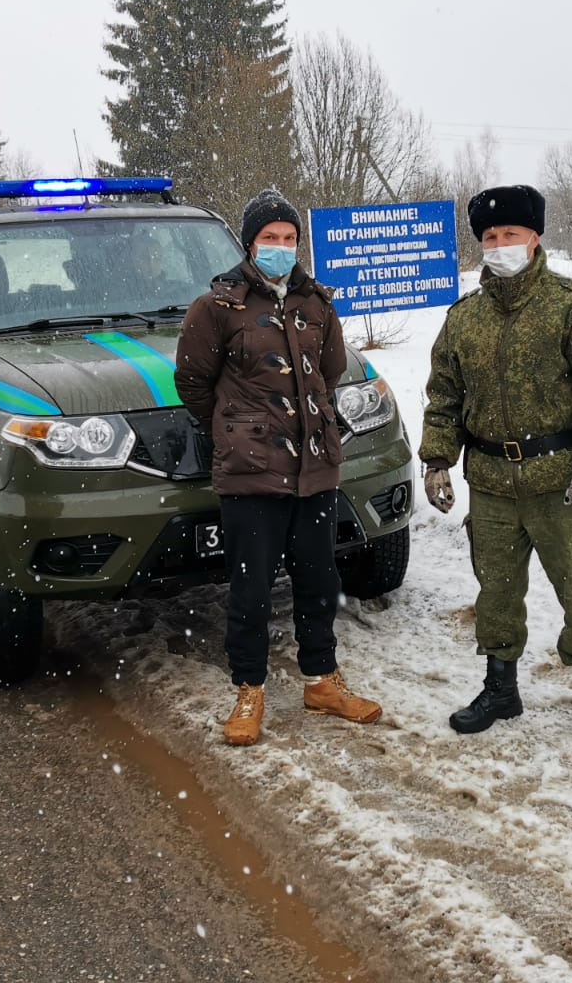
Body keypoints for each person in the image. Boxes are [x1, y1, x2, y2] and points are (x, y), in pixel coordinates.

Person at [419, 184, 572, 753]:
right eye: (489, 237)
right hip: (489, 483)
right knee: (495, 593)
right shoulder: (464, 318)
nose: (499, 245)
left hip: (561, 485)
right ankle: (500, 688)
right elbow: (443, 393)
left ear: (534, 237)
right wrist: (438, 458)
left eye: (510, 234)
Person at [175, 188, 384, 746]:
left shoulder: (316, 303)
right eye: (271, 238)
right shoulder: (218, 307)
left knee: (320, 580)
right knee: (251, 589)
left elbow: (332, 370)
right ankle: (250, 690)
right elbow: (193, 383)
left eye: (290, 239)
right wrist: (234, 427)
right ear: (250, 243)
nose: (282, 248)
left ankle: (321, 680)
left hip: (313, 469)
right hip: (250, 472)